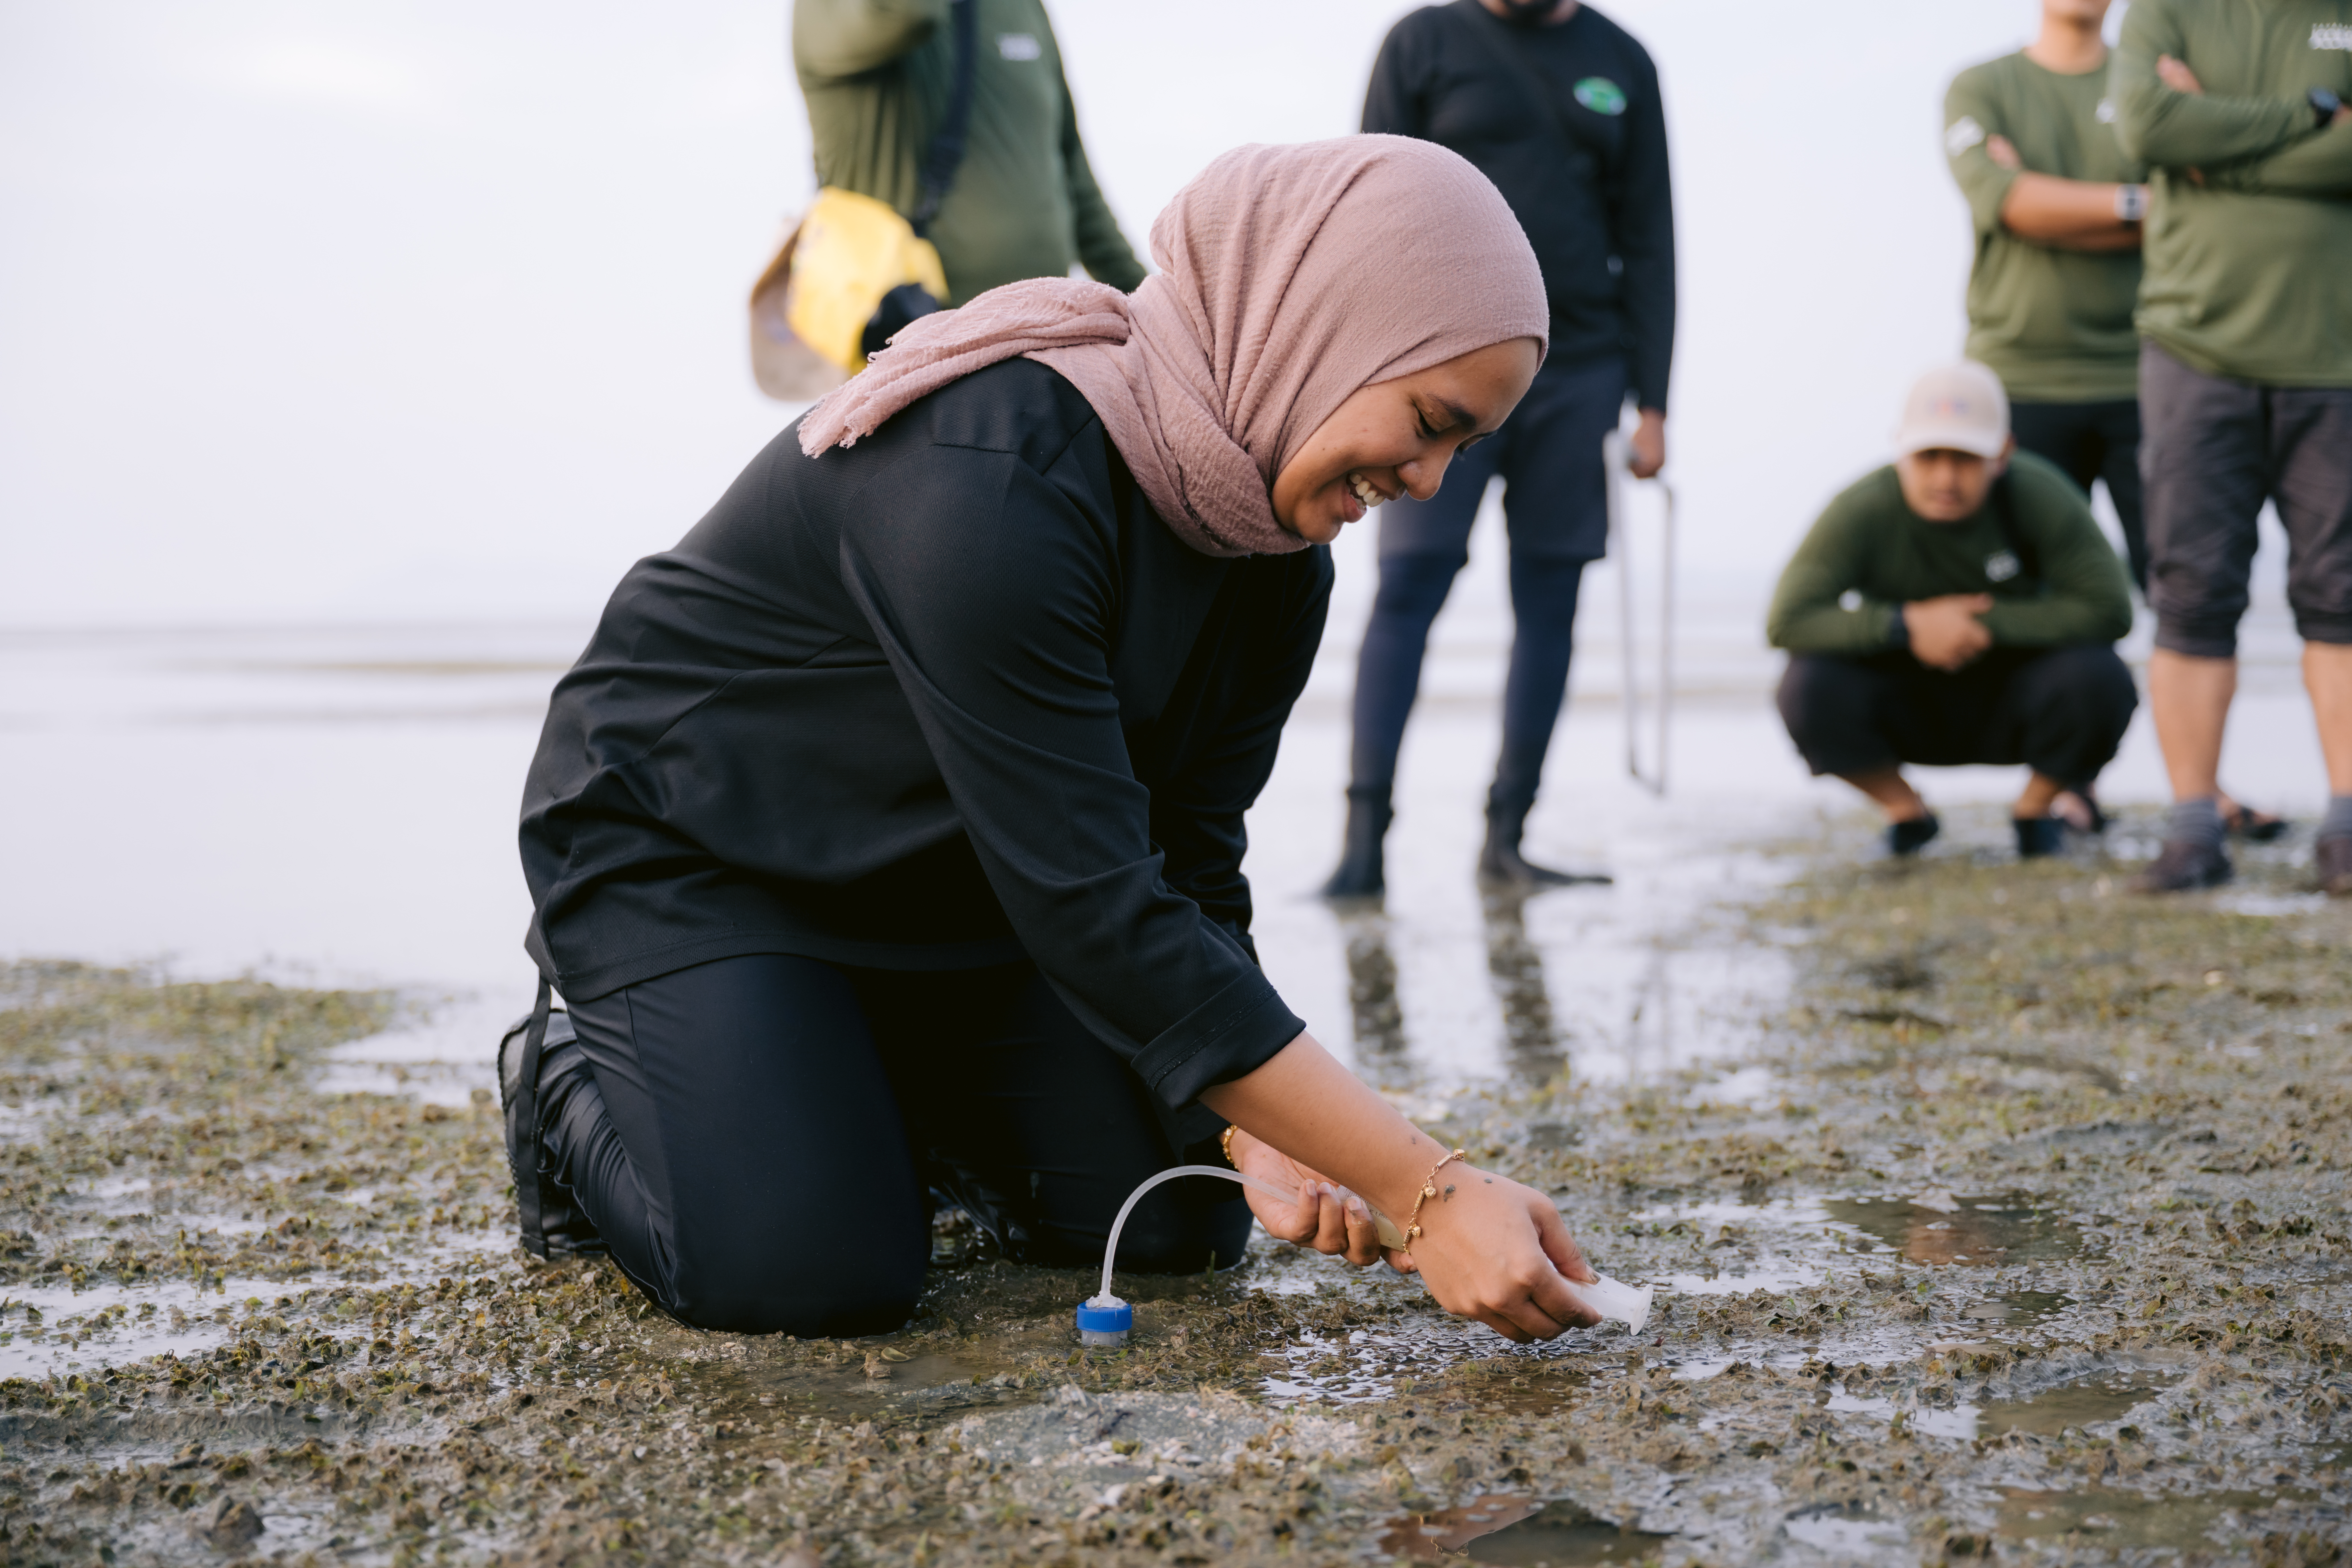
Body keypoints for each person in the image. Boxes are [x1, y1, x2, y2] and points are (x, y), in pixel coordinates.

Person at [507, 138, 1608, 1345]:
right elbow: (1098, 910)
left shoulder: (1271, 556)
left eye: (1468, 447)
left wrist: (1259, 1132)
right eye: (1431, 421)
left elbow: (1184, 865)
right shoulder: (994, 472)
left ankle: (850, 1083)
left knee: (1182, 1224)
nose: (1436, 481)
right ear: (1323, 328)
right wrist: (1421, 1188)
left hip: (959, 882)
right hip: (698, 851)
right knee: (813, 1277)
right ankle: (564, 1084)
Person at [1323, 0, 1674, 897]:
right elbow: (1372, 212)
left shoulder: (1622, 61)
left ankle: (1506, 840)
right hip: (1439, 365)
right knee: (1409, 582)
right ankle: (1363, 847)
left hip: (1580, 368)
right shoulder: (1422, 44)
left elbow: (1648, 238)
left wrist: (1654, 403)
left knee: (1550, 595)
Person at [2111, 1, 2352, 895]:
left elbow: (2176, 138)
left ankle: (2346, 827)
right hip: (2192, 349)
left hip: (2336, 352)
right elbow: (2145, 124)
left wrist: (2213, 147)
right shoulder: (2161, 13)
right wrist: (2315, 115)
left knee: (2341, 595)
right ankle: (2192, 829)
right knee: (2190, 595)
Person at [1767, 362, 2137, 859]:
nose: (1945, 477)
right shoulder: (1862, 509)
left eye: (1964, 457)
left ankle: (2035, 808)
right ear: (1900, 449)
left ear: (2002, 453)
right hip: (1908, 694)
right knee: (1806, 686)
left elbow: (2111, 609)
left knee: (2102, 677)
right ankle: (1904, 810)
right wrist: (1907, 624)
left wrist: (1981, 624)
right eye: (1928, 456)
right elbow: (1787, 619)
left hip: (2015, 693)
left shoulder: (2041, 494)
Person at [1943, 0, 2151, 593]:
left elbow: (2190, 208)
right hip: (2017, 378)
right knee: (2017, 587)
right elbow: (2010, 204)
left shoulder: (2150, 85)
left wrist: (2041, 192)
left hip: (2148, 374)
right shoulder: (1980, 86)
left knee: (2186, 591)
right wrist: (2137, 203)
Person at [792, 0, 1146, 305]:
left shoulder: (1021, 8)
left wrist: (1148, 306)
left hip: (1036, 342)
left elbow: (1072, 175)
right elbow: (909, 13)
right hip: (906, 343)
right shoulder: (835, 12)